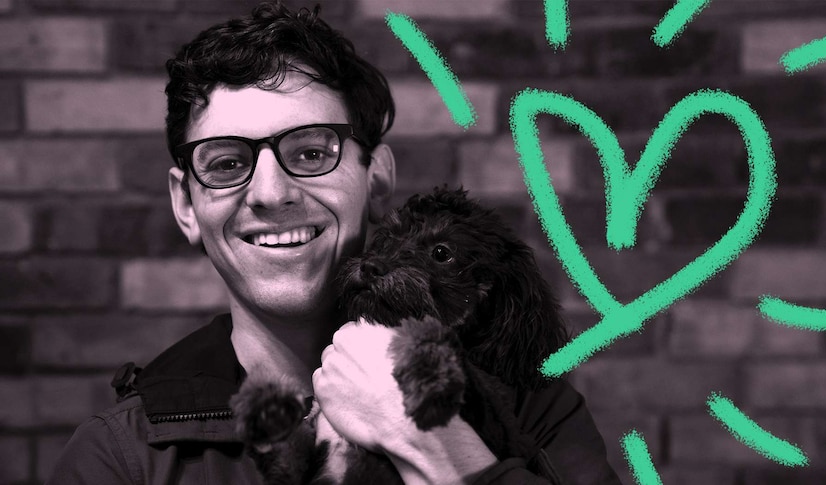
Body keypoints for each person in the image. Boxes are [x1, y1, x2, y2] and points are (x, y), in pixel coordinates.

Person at [46, 3, 621, 484]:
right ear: (186, 206)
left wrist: (432, 442)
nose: (270, 193)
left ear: (377, 180)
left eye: (312, 153)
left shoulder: (533, 408)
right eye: (226, 163)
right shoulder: (121, 458)